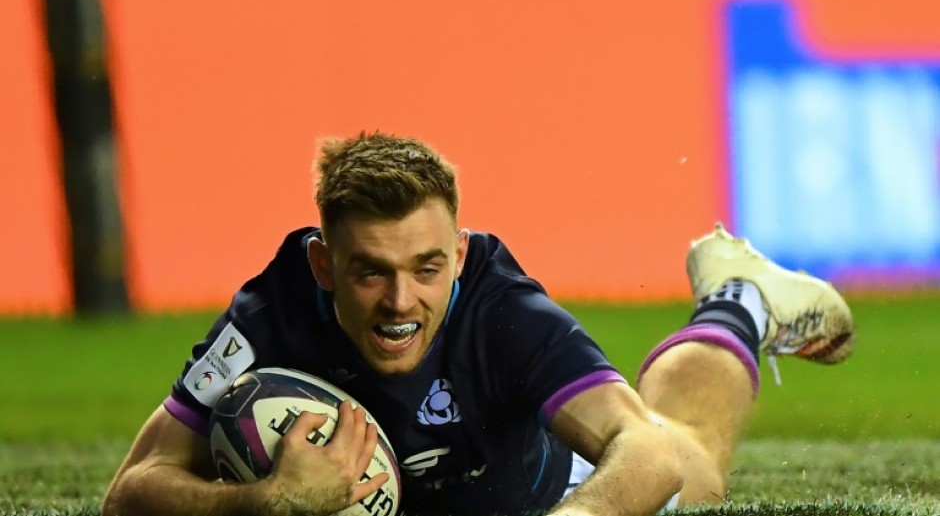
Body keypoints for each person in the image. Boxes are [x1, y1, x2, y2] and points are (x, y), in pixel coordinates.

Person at [102, 132, 856, 516]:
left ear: (459, 254)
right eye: (372, 272)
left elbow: (645, 451)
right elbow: (130, 492)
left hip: (537, 490)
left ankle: (739, 299)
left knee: (693, 463)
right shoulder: (269, 316)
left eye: (428, 268)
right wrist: (263, 505)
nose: (402, 301)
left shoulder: (502, 311)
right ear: (323, 264)